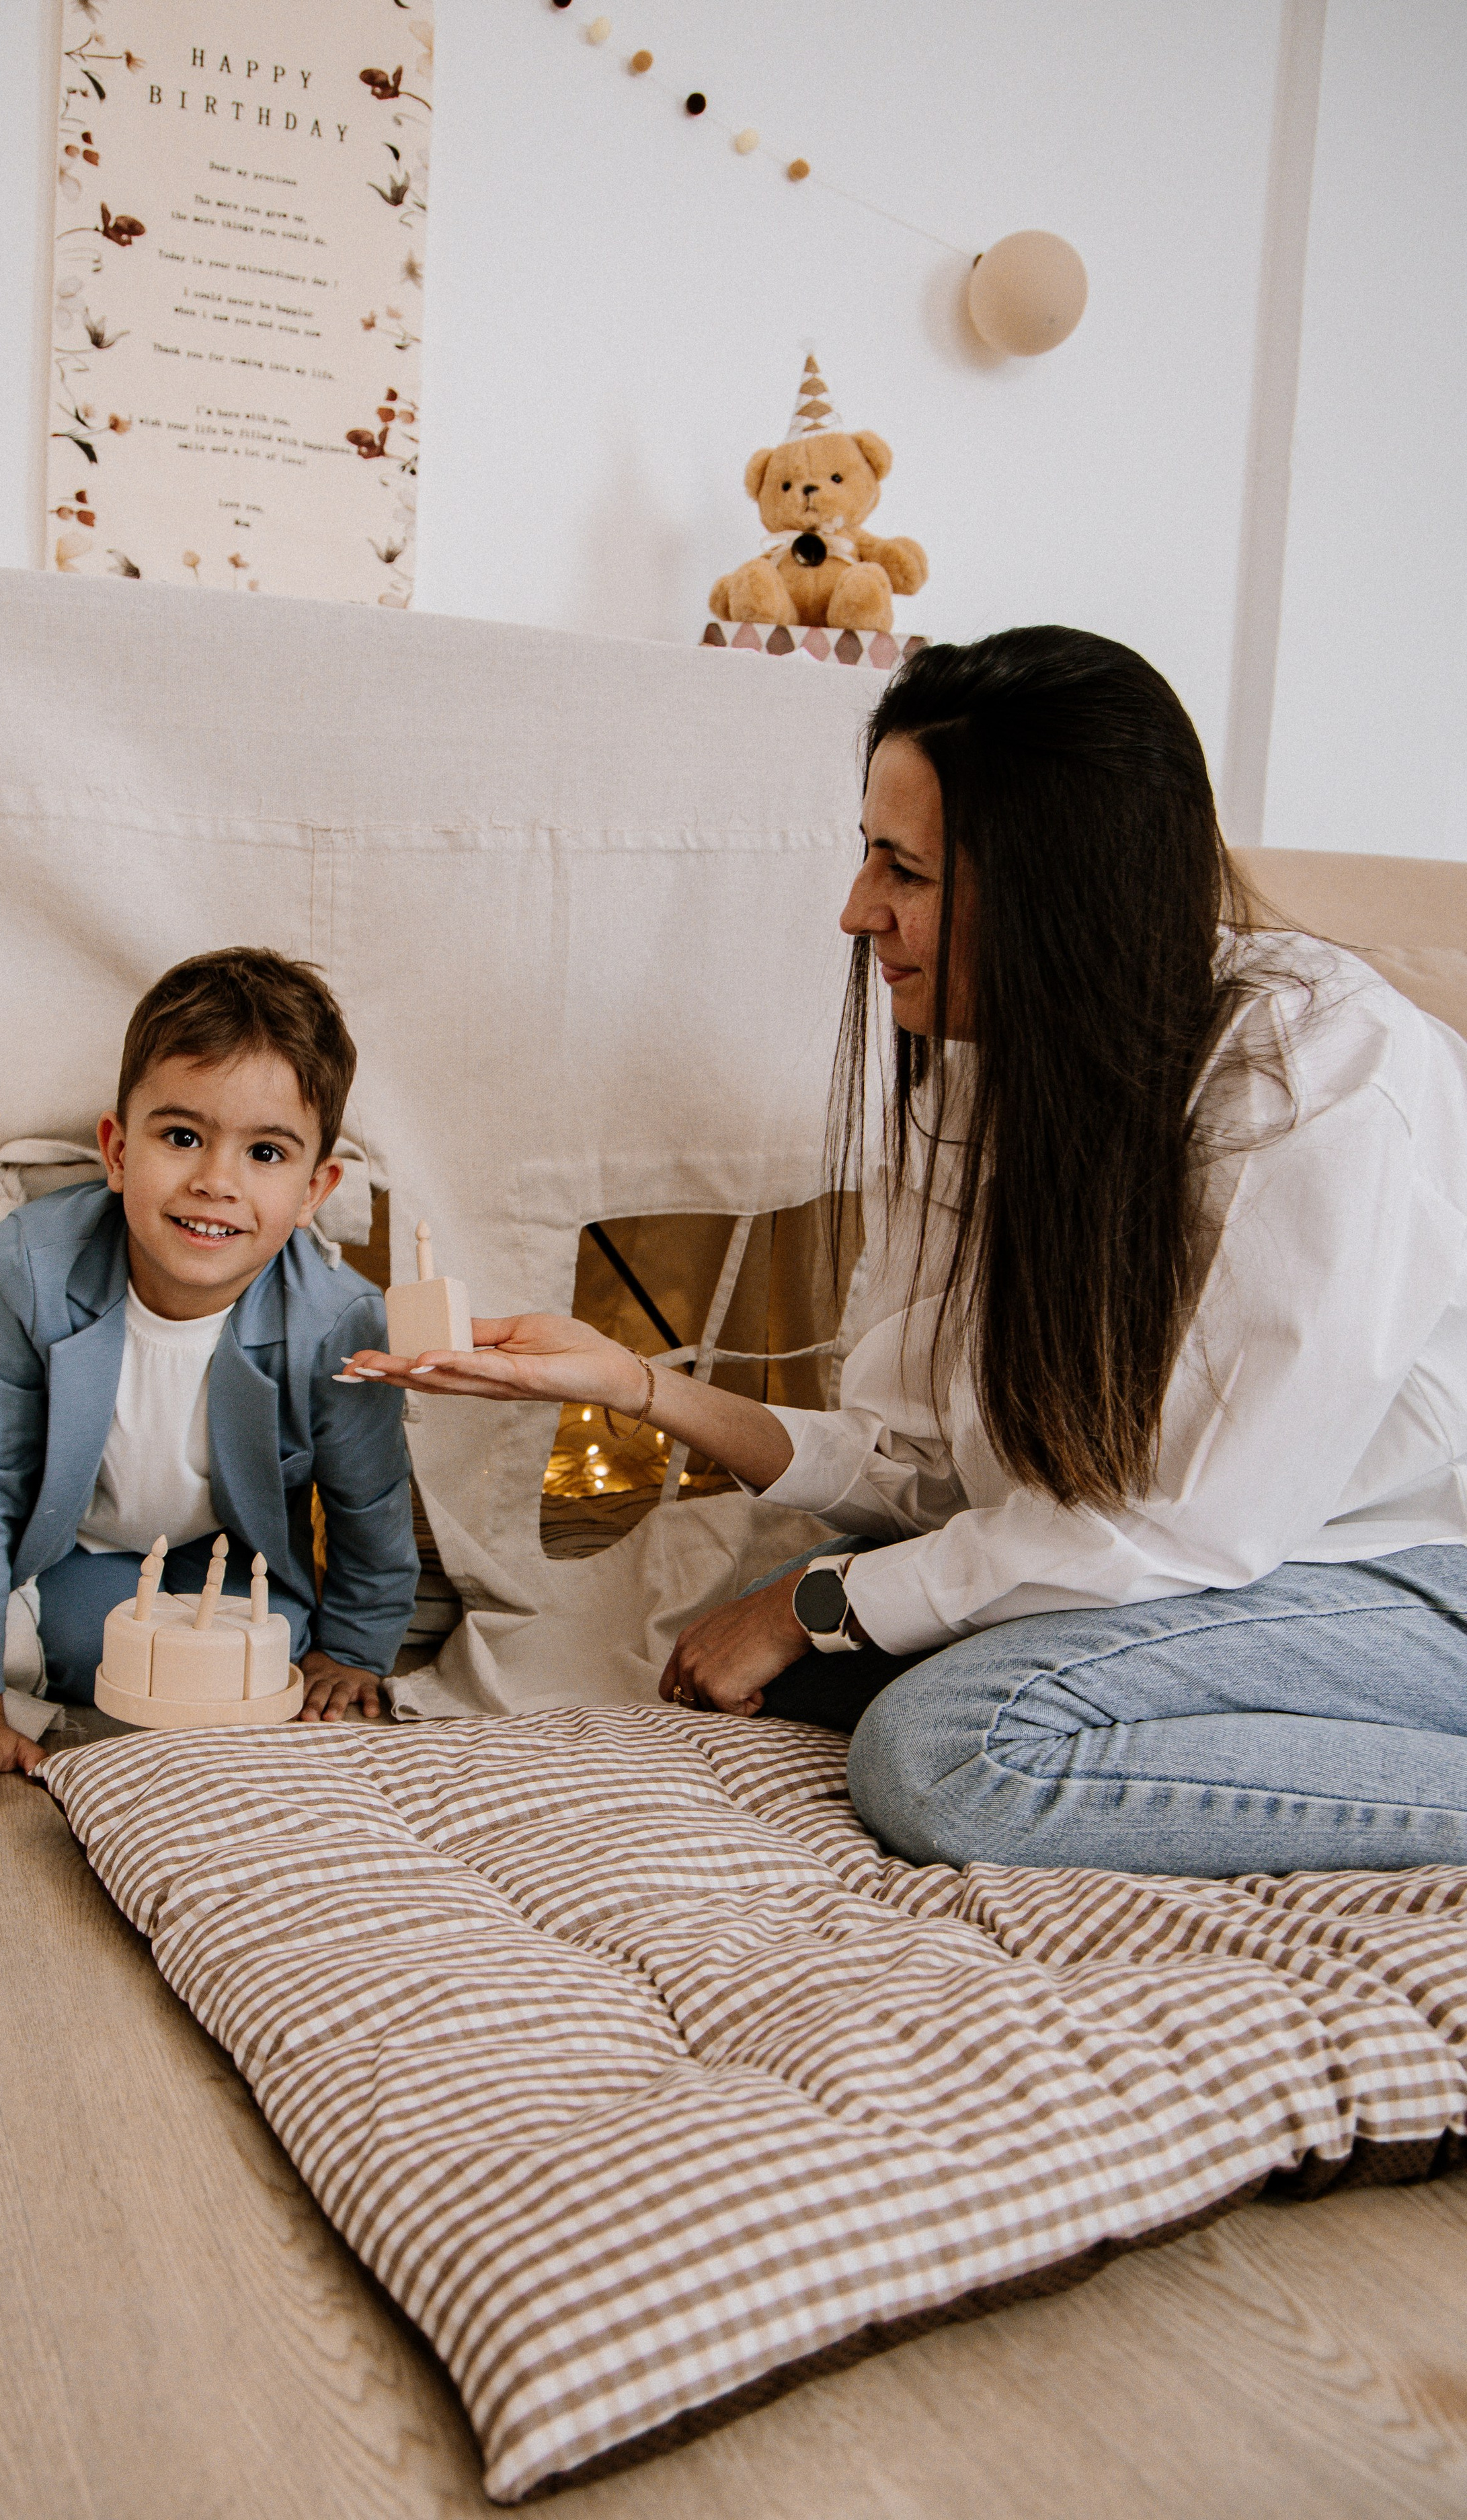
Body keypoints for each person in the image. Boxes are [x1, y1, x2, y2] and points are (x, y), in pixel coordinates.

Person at [344, 628, 1467, 1879]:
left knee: (939, 1751)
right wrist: (637, 1388)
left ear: (1056, 885)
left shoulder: (1322, 1075)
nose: (856, 910)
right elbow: (923, 1474)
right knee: (835, 1643)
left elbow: (1186, 1524)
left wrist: (812, 1609)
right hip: (1198, 1568)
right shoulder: (973, 1084)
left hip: (1393, 1577)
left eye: (906, 868)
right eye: (867, 852)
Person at [0, 948, 419, 1811]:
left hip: (213, 1551)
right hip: (52, 1535)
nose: (215, 1182)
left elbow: (368, 1501)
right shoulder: (32, 1263)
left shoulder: (337, 1322)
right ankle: (13, 1636)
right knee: (81, 1645)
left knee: (264, 1656)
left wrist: (354, 1651)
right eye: (181, 1138)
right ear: (116, 1149)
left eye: (265, 1152)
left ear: (316, 1187)